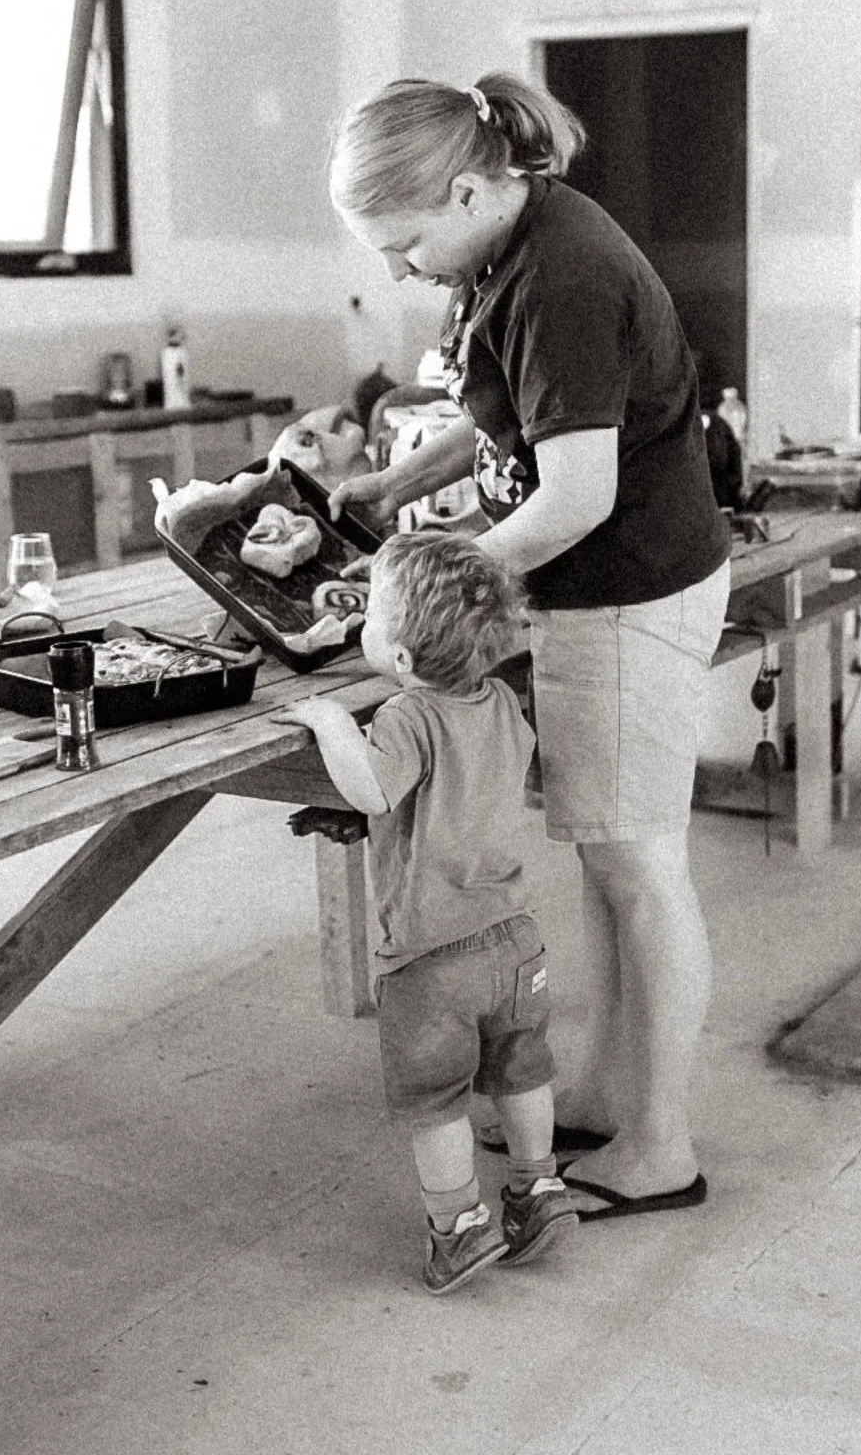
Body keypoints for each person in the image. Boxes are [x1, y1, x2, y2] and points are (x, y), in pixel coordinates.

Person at [314, 72, 732, 1221]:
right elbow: (507, 414)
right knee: (609, 862)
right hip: (598, 593)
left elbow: (578, 496)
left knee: (642, 870)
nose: (399, 272)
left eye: (403, 245)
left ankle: (660, 1148)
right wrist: (398, 483)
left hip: (625, 591)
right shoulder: (507, 246)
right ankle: (604, 1090)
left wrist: (437, 579)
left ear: (461, 190)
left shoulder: (565, 274)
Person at [279, 531, 579, 1294]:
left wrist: (331, 724)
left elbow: (375, 790)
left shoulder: (407, 716)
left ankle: (459, 1228)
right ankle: (538, 1189)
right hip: (514, 939)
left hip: (431, 957)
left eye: (372, 617)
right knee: (521, 1067)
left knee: (436, 1099)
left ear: (404, 661)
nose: (362, 626)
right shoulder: (502, 699)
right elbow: (454, 793)